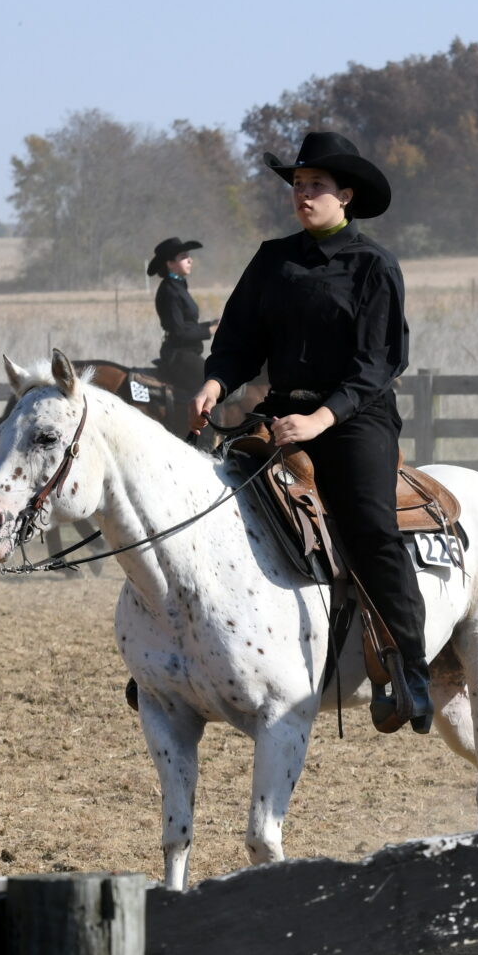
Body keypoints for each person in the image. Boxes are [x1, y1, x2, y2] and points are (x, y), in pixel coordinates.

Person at [190, 131, 432, 733]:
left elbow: (379, 363)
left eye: (316, 186)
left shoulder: (374, 265)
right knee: (211, 504)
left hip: (355, 417)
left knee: (371, 529)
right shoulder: (273, 258)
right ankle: (178, 660)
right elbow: (240, 339)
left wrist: (323, 418)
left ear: (345, 195)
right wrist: (216, 383)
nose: (304, 195)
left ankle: (412, 669)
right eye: (298, 186)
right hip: (279, 412)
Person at [148, 236, 208, 436]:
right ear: (170, 263)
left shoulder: (178, 285)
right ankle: (200, 435)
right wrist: (209, 330)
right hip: (178, 355)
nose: (190, 260)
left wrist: (211, 325)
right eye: (184, 257)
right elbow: (179, 331)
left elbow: (186, 324)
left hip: (187, 351)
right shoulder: (170, 290)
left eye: (189, 256)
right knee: (208, 386)